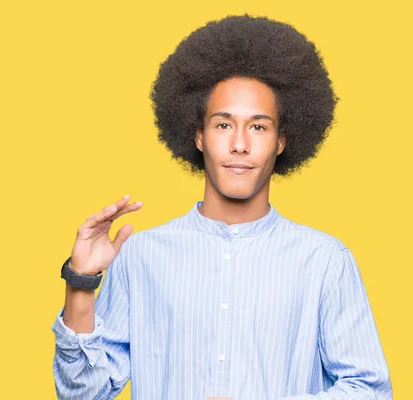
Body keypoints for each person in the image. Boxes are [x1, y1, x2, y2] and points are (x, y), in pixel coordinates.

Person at [51, 14, 392, 400]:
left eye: (259, 127)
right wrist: (80, 283)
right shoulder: (141, 256)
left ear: (281, 141)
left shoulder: (325, 261)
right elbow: (83, 395)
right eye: (223, 125)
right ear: (197, 135)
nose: (240, 144)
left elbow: (370, 391)